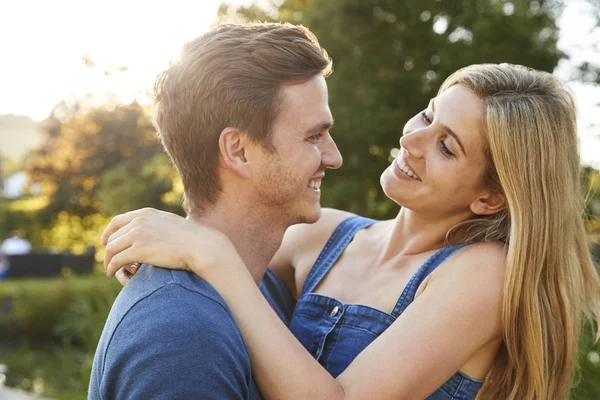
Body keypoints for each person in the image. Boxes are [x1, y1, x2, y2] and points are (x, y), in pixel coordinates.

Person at [104, 63, 600, 399]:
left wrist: (212, 258)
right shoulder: (321, 234)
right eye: (427, 115)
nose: (411, 139)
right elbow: (225, 244)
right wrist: (162, 252)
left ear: (489, 197)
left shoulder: (481, 275)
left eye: (447, 146)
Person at [89, 22, 342, 399]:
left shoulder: (260, 288)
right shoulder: (180, 337)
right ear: (238, 150)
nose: (334, 157)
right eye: (313, 136)